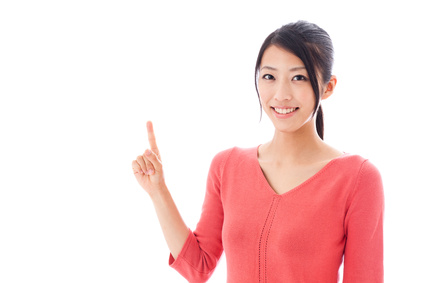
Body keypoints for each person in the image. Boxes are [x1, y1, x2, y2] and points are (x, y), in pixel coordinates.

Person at [132, 20, 384, 283]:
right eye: (269, 77)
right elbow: (198, 268)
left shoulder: (357, 178)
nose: (281, 94)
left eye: (299, 77)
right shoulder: (227, 166)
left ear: (327, 87)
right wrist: (158, 191)